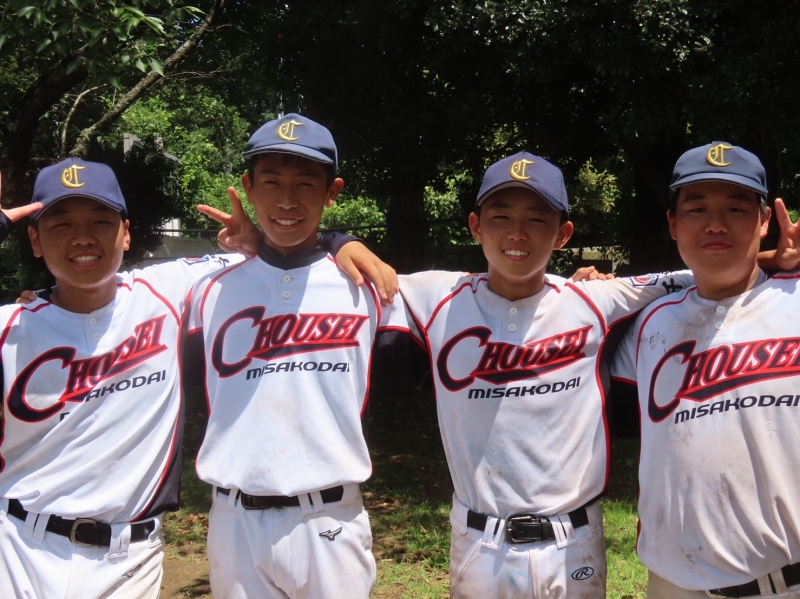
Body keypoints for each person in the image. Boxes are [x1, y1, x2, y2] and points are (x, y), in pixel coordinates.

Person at [0, 156, 394, 598]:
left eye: (100, 221)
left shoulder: (172, 289)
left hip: (128, 557)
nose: (83, 237)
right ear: (34, 240)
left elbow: (285, 249)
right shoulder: (10, 327)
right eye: (61, 225)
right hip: (18, 546)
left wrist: (339, 241)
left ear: (126, 233)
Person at [370, 151, 696, 598]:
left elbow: (702, 273)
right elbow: (337, 278)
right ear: (475, 226)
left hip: (572, 541)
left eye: (537, 219)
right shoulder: (433, 296)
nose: (517, 232)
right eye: (500, 216)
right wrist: (340, 241)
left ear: (563, 234)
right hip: (479, 541)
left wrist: (776, 257)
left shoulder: (595, 300)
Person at [183, 113, 403, 599]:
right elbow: (111, 299)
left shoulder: (369, 286)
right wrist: (42, 298)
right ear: (248, 187)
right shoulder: (206, 289)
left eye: (305, 183)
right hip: (234, 521)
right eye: (271, 182)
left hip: (329, 517)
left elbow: (478, 295)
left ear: (332, 191)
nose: (286, 200)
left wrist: (340, 240)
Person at [610, 141, 800, 599]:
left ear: (764, 222)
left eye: (736, 208)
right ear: (673, 224)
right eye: (697, 209)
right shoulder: (646, 322)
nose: (716, 224)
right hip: (674, 583)